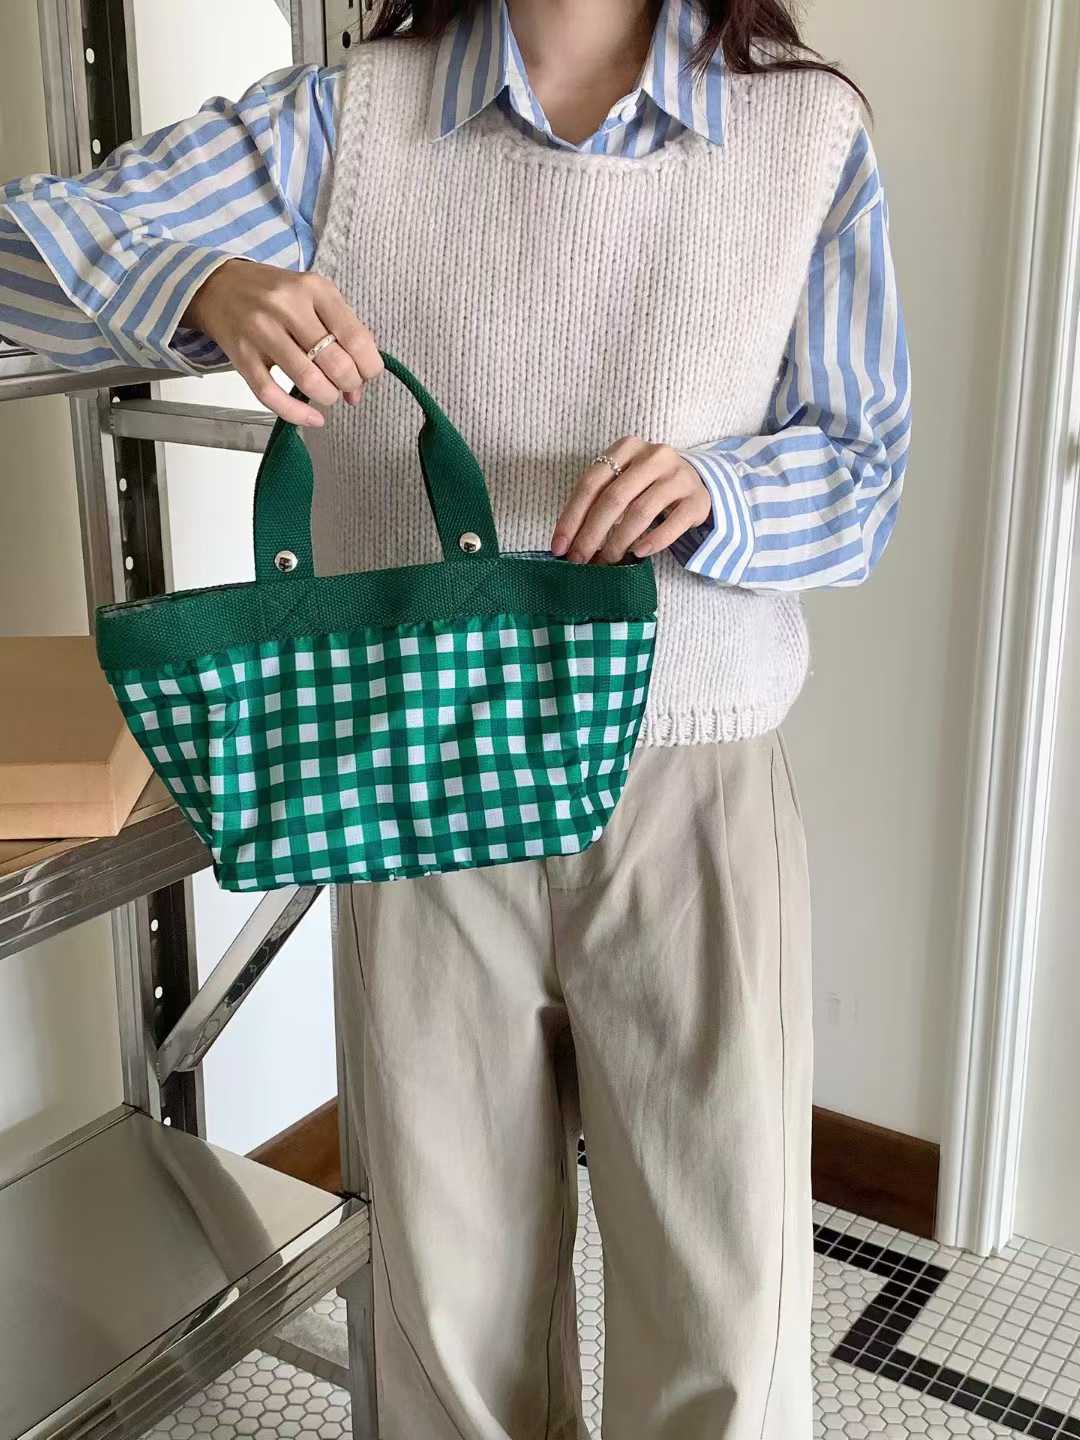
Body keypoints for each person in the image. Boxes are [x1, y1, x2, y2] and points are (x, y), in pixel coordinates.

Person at [0, 0, 911, 1434]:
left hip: (693, 785)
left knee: (728, 1309)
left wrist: (722, 491)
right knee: (446, 1309)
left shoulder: (807, 128)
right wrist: (206, 280)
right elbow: (18, 259)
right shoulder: (345, 120)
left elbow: (862, 467)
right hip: (419, 778)